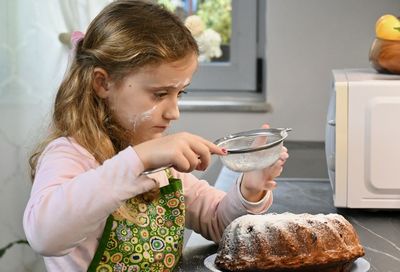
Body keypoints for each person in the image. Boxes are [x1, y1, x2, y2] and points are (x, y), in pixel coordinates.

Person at [23, 1, 289, 271]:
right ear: (103, 83)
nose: (174, 112)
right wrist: (140, 158)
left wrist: (251, 189)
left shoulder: (162, 164)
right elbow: (45, 236)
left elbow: (217, 222)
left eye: (179, 93)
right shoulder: (69, 155)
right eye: (160, 94)